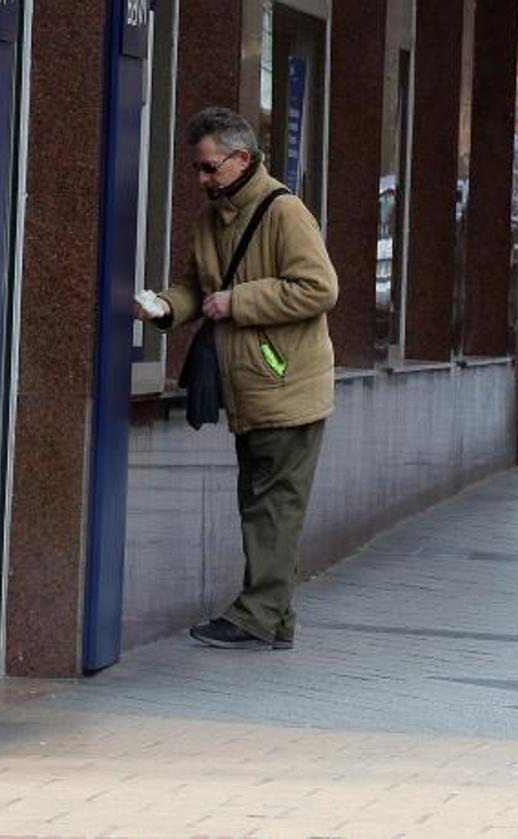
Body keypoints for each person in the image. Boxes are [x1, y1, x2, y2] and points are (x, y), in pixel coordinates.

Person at [135, 107, 338, 651]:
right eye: (197, 169)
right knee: (263, 503)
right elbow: (193, 286)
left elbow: (319, 288)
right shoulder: (213, 217)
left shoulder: (284, 213)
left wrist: (238, 301)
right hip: (251, 385)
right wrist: (164, 309)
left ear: (243, 158)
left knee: (272, 505)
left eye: (209, 168)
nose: (201, 179)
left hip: (286, 384)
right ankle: (275, 619)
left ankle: (256, 616)